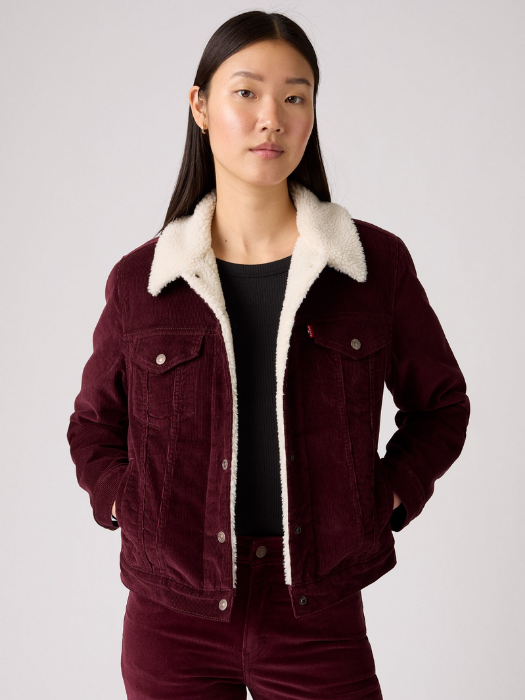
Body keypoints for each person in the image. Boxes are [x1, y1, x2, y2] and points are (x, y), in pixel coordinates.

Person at [67, 10, 470, 700]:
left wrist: (384, 498)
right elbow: (93, 426)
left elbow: (441, 405)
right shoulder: (144, 281)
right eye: (246, 92)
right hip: (172, 617)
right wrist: (128, 505)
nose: (271, 119)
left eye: (294, 97)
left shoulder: (371, 267)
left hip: (315, 610)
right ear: (200, 106)